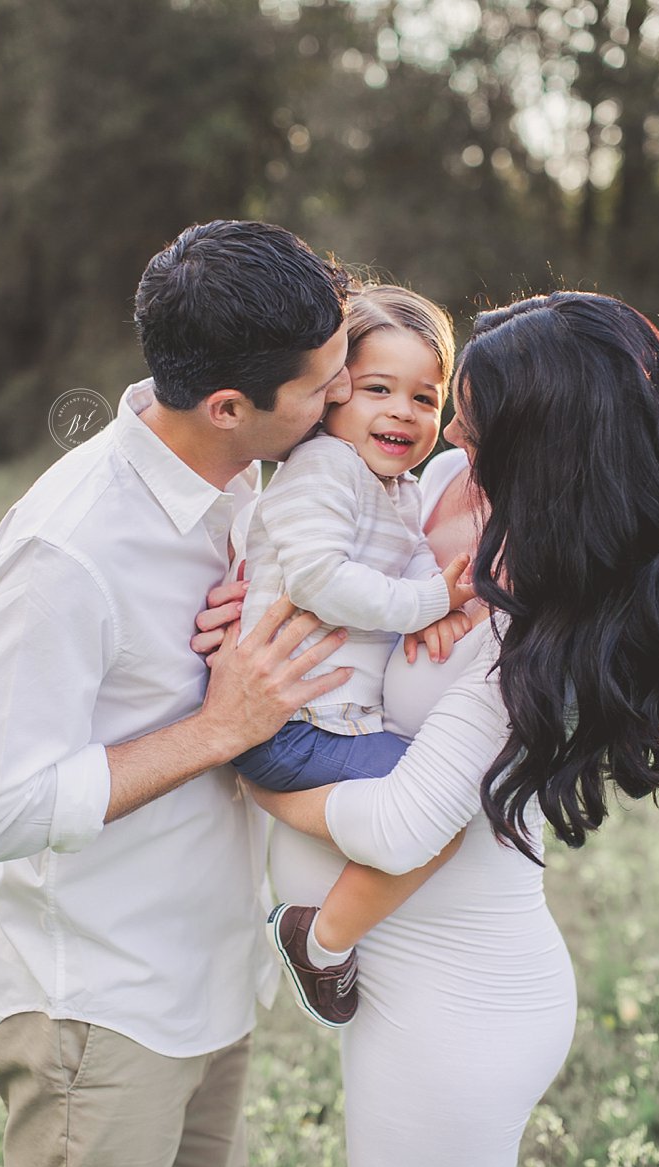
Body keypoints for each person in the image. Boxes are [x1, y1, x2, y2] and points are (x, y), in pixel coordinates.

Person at [241, 291, 659, 1167]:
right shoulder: (442, 507)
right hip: (414, 991)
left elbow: (397, 828)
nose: (448, 453)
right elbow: (330, 572)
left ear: (543, 456)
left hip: (457, 1011)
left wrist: (241, 755)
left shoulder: (540, 629)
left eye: (472, 434)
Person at [0, 219, 358, 1167]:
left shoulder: (266, 487)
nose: (339, 392)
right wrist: (219, 727)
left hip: (213, 980)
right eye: (320, 381)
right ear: (225, 405)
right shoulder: (69, 548)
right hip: (101, 1011)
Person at [232, 285, 477, 1027]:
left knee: (443, 790)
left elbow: (400, 572)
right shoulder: (323, 469)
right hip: (292, 723)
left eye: (424, 397)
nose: (403, 411)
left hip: (331, 719)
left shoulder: (398, 488)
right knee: (441, 806)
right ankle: (318, 942)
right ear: (334, 392)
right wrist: (428, 603)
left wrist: (425, 618)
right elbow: (320, 580)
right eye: (379, 389)